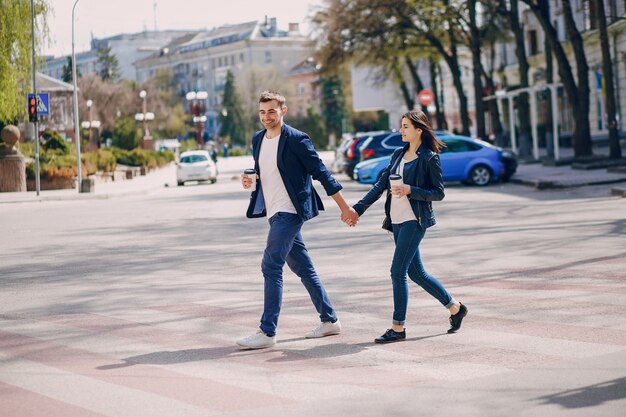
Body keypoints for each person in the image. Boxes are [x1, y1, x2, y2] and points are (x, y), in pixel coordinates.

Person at [238, 90, 354, 349]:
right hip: (273, 211)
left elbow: (322, 174)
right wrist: (249, 181)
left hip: (290, 211)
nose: (266, 117)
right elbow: (262, 172)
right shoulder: (258, 140)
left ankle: (267, 332)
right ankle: (330, 320)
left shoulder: (297, 140)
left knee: (270, 265)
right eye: (262, 112)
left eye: (271, 111)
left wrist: (345, 208)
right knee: (303, 268)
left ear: (283, 111)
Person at [344, 110, 468, 344]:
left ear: (419, 130)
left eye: (405, 127)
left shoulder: (429, 158)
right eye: (401, 126)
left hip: (415, 220)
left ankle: (398, 328)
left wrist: (412, 190)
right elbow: (380, 185)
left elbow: (438, 193)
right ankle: (456, 308)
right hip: (397, 221)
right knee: (416, 273)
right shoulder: (397, 155)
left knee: (397, 272)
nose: (401, 131)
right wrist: (357, 209)